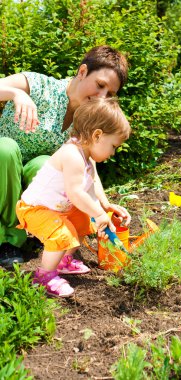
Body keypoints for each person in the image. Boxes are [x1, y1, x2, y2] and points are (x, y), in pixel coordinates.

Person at [0, 45, 128, 268]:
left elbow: (87, 167)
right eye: (100, 85)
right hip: (3, 170)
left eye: (110, 94)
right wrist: (16, 93)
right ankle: (6, 240)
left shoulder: (88, 117)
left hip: (33, 187)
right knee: (6, 149)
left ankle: (44, 232)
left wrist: (104, 204)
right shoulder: (40, 86)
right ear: (82, 71)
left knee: (43, 163)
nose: (102, 96)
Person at [16, 97, 131, 297]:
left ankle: (62, 262)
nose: (113, 153)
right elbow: (76, 193)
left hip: (57, 208)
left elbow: (90, 188)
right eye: (113, 146)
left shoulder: (86, 157)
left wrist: (103, 208)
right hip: (35, 209)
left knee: (83, 220)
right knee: (63, 232)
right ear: (97, 135)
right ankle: (43, 276)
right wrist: (100, 214)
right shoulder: (72, 155)